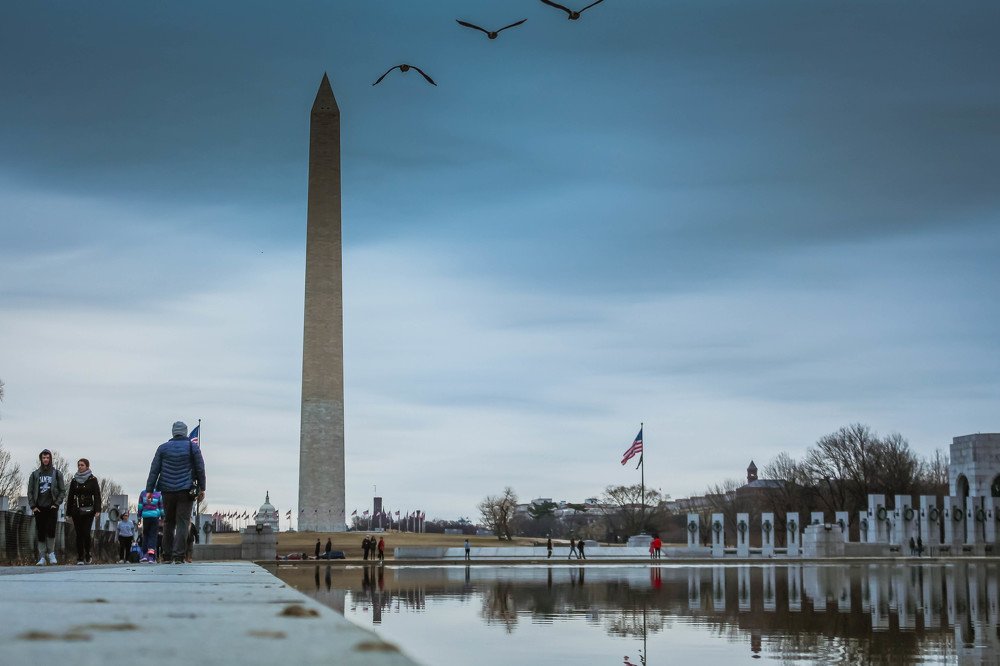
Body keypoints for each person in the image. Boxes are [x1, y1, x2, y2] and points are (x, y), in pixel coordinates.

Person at [145, 421, 206, 564]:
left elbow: (154, 470)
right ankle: (179, 556)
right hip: (186, 490)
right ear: (185, 432)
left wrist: (149, 490)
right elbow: (200, 468)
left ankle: (166, 555)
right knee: (183, 523)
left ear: (173, 432)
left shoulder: (162, 448)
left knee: (168, 522)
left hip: (167, 490)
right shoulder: (193, 447)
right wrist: (202, 488)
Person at [28, 449, 66, 565]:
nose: (45, 460)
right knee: (40, 531)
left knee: (51, 530)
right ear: (41, 459)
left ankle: (51, 553)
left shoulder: (56, 473)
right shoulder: (35, 474)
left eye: (47, 458)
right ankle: (41, 556)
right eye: (43, 458)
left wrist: (56, 504)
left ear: (50, 459)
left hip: (52, 507)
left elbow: (62, 491)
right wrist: (33, 506)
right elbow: (30, 491)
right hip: (39, 507)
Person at [67, 458, 102, 564]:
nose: (80, 467)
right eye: (78, 465)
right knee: (78, 534)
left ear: (87, 466)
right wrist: (68, 512)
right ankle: (80, 557)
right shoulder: (74, 480)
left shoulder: (93, 479)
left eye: (82, 465)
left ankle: (88, 553)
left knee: (86, 533)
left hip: (88, 510)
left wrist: (97, 510)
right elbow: (70, 496)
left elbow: (97, 495)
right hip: (76, 510)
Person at [138, 490, 163, 563]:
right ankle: (151, 557)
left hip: (145, 516)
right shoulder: (158, 494)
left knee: (145, 535)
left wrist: (139, 517)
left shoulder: (143, 493)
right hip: (155, 516)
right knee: (153, 536)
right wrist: (163, 517)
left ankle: (145, 555)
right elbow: (161, 506)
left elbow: (140, 506)